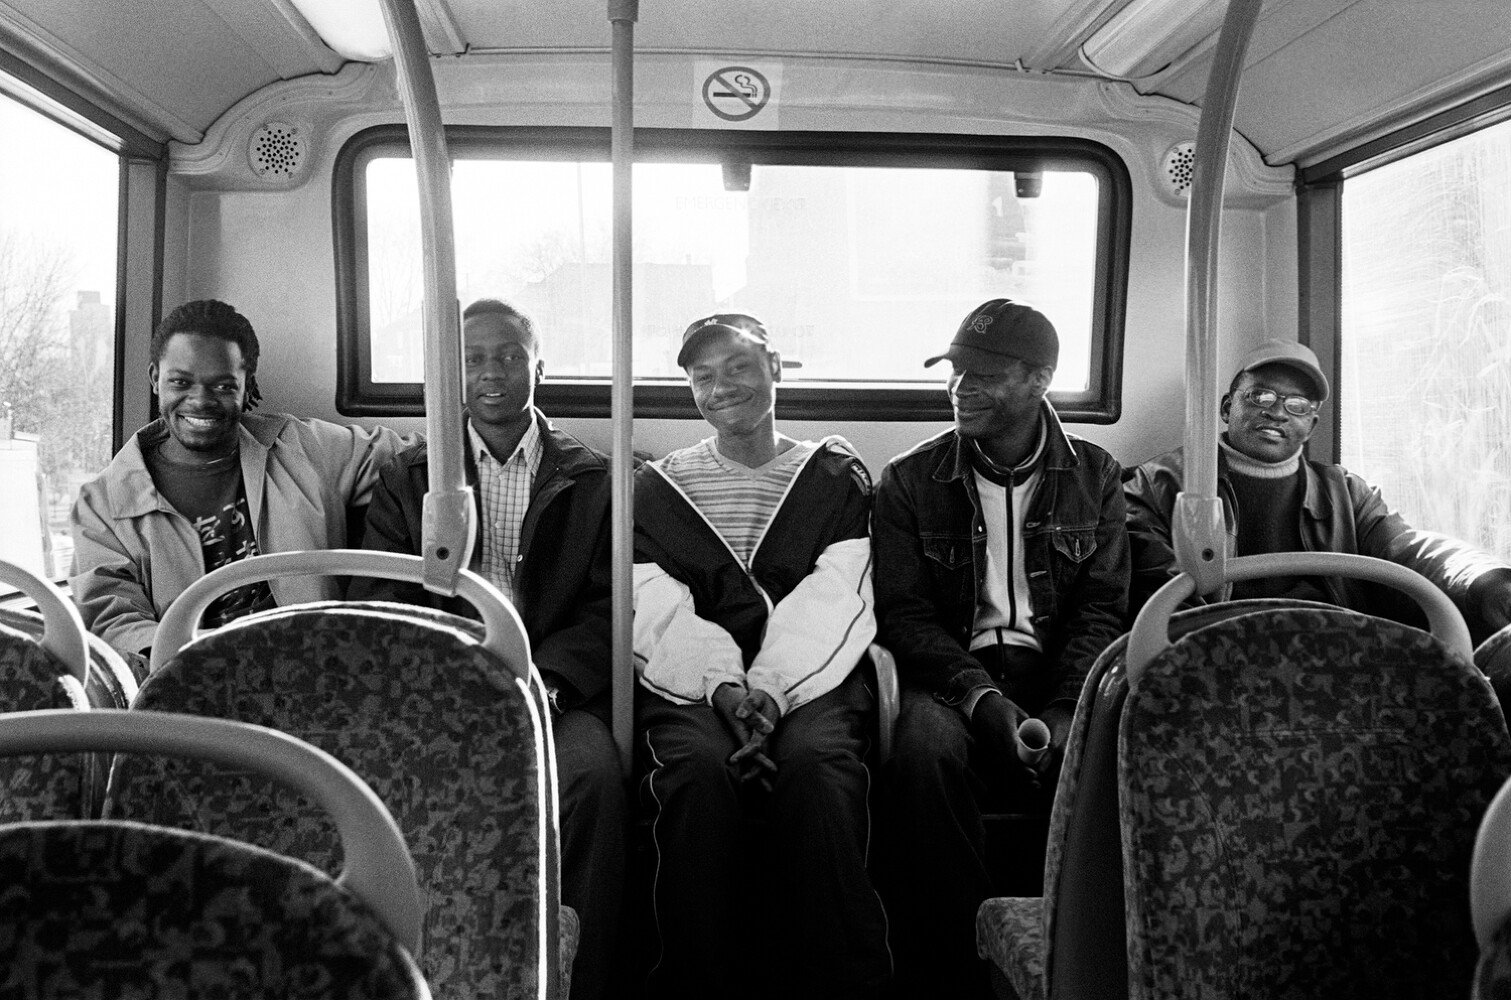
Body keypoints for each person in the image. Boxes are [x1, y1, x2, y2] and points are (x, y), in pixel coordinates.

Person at [347, 298, 625, 1000]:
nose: (492, 373)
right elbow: (383, 597)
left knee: (592, 775)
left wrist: (548, 681)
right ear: (452, 376)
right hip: (445, 685)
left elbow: (606, 605)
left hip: (552, 689)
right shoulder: (412, 478)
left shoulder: (592, 478)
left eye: (508, 356)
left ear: (539, 368)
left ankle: (580, 974)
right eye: (473, 359)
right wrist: (452, 682)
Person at [872, 299, 1129, 998]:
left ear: (1040, 380)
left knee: (1105, 747)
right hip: (950, 672)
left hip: (1058, 671)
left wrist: (1070, 705)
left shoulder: (1096, 476)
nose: (960, 388)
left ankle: (1079, 959)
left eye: (984, 375)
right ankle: (956, 963)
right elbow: (904, 615)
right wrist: (981, 699)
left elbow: (1100, 608)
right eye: (954, 372)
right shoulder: (909, 479)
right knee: (923, 751)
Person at [633, 313, 892, 1000]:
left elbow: (838, 592)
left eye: (738, 367)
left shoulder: (833, 478)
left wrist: (772, 690)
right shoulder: (658, 487)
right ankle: (693, 980)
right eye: (703, 376)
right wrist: (723, 686)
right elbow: (653, 600)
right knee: (697, 769)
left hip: (814, 675)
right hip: (692, 679)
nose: (721, 387)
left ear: (775, 368)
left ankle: (843, 982)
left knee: (817, 765)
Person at [70, 299, 410, 663]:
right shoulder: (101, 504)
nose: (200, 401)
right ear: (156, 379)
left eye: (223, 386)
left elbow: (414, 459)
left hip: (317, 670)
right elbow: (111, 618)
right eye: (180, 382)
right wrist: (204, 662)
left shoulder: (304, 447)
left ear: (248, 386)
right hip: (190, 678)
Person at [1124, 338, 1511, 640]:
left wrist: (1481, 577)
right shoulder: (1159, 484)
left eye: (1296, 405)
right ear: (1227, 408)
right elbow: (1159, 589)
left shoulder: (1345, 492)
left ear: (1311, 426)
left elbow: (1407, 550)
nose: (1276, 411)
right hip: (1219, 649)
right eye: (1261, 396)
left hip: (1333, 652)